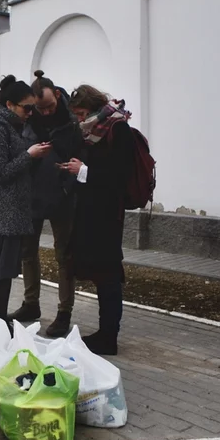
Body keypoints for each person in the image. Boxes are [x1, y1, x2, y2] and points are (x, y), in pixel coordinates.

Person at [60, 85, 135, 356]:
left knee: (109, 276)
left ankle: (109, 337)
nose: (79, 120)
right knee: (103, 276)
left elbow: (118, 177)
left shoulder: (117, 129)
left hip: (107, 216)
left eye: (81, 114)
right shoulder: (94, 132)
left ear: (92, 109)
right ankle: (105, 333)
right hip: (93, 213)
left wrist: (84, 171)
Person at [9, 70, 83, 337]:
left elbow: (81, 158)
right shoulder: (28, 119)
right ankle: (31, 305)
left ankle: (64, 313)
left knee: (64, 256)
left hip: (63, 198)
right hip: (33, 197)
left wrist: (67, 188)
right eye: (40, 108)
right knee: (28, 252)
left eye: (50, 106)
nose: (46, 112)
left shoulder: (73, 121)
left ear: (58, 96)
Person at [0, 75, 52, 324]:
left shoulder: (12, 127)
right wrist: (30, 155)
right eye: (27, 108)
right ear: (10, 105)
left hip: (13, 213)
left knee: (6, 273)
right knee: (0, 274)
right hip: (2, 215)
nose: (30, 113)